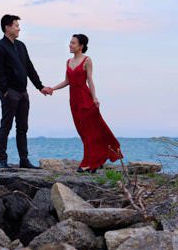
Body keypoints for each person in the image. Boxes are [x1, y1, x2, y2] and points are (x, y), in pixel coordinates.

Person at [49, 33, 123, 173]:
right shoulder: (68, 62)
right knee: (82, 131)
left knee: (90, 131)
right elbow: (67, 81)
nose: (70, 45)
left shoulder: (87, 60)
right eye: (70, 42)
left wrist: (95, 98)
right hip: (74, 101)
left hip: (85, 99)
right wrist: (52, 88)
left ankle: (88, 163)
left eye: (73, 43)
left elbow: (90, 80)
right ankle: (96, 159)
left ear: (81, 46)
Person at [0, 14, 53, 169]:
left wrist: (40, 87)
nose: (19, 28)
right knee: (6, 125)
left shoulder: (21, 46)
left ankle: (24, 160)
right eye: (16, 25)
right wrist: (4, 89)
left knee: (22, 127)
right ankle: (2, 160)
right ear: (7, 27)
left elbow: (29, 68)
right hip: (9, 92)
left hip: (23, 93)